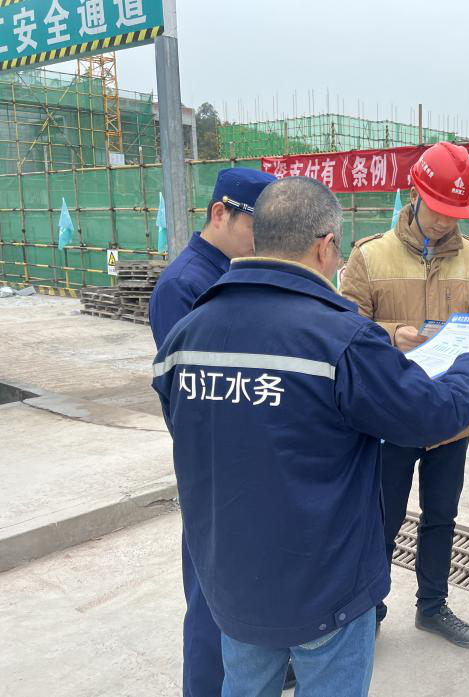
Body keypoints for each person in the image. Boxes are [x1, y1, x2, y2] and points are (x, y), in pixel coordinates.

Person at [152, 176, 469, 696]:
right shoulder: (341, 338)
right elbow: (431, 415)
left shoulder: (186, 335)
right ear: (325, 246)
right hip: (325, 587)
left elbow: (188, 430)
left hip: (233, 580)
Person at [340, 141, 469, 648]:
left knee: (441, 517)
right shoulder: (370, 255)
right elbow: (343, 327)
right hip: (391, 414)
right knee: (381, 519)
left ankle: (432, 606)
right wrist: (392, 334)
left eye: (456, 214)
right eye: (438, 209)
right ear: (415, 194)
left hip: (452, 415)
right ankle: (370, 610)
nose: (445, 222)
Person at [147, 167, 277, 696]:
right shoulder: (184, 285)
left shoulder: (237, 273)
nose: (262, 239)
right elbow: (187, 395)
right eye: (255, 225)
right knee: (210, 599)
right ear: (219, 213)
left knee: (247, 591)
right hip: (216, 469)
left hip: (249, 462)